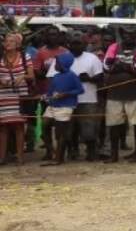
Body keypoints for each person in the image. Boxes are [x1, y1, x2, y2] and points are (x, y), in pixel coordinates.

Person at [103, 28, 136, 162]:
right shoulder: (113, 47)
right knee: (114, 124)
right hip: (114, 93)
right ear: (121, 35)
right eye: (125, 34)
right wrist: (129, 66)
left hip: (135, 92)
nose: (128, 36)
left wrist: (119, 64)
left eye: (132, 34)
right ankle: (113, 155)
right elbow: (106, 67)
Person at [62, 34, 104, 162]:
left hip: (88, 99)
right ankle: (72, 151)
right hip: (67, 99)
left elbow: (100, 76)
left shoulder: (92, 58)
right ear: (69, 45)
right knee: (68, 129)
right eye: (73, 43)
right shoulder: (63, 58)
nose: (76, 46)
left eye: (78, 43)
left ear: (85, 45)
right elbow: (54, 76)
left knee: (89, 128)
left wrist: (88, 79)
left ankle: (91, 152)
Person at [32, 27, 69, 158]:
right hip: (44, 94)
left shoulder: (65, 52)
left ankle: (60, 153)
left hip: (62, 95)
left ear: (59, 36)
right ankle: (49, 150)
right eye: (50, 35)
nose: (52, 37)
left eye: (55, 35)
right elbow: (36, 72)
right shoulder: (40, 53)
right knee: (43, 126)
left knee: (60, 126)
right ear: (45, 36)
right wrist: (43, 72)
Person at [41, 52, 83, 166]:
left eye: (57, 62)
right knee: (44, 127)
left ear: (63, 64)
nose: (55, 64)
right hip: (53, 105)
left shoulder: (72, 75)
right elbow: (50, 91)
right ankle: (52, 152)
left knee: (60, 133)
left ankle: (58, 158)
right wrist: (45, 96)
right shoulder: (56, 76)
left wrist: (66, 94)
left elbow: (80, 90)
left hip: (66, 106)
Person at [0, 32, 33, 165]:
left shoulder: (25, 57)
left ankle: (20, 156)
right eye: (6, 41)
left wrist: (23, 77)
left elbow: (31, 76)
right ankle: (2, 156)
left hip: (20, 94)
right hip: (3, 95)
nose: (8, 43)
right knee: (3, 127)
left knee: (19, 126)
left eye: (12, 41)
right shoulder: (0, 57)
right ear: (2, 44)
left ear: (18, 44)